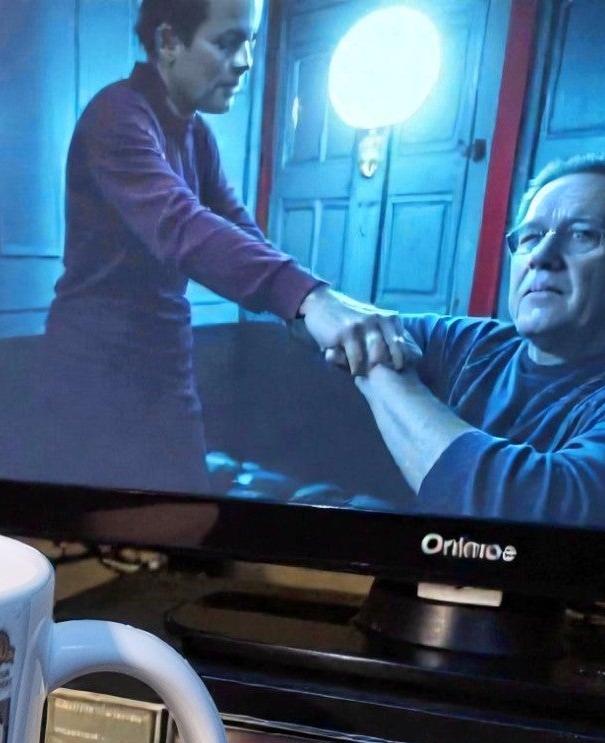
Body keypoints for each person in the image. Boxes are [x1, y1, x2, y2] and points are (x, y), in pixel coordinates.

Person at [37, 0, 407, 497]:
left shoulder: (197, 136)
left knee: (185, 514)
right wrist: (309, 300)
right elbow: (181, 227)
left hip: (166, 358)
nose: (246, 62)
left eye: (249, 42)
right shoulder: (116, 114)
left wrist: (319, 310)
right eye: (228, 42)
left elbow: (235, 226)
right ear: (169, 42)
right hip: (96, 364)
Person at [346, 156, 605, 535]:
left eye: (583, 234)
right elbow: (331, 328)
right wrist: (308, 297)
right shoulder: (469, 343)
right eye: (531, 237)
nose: (542, 256)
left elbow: (517, 522)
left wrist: (381, 371)